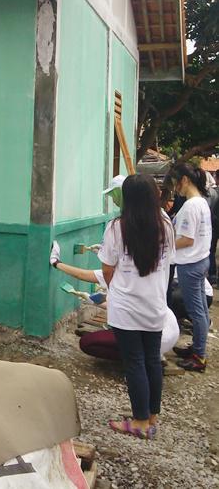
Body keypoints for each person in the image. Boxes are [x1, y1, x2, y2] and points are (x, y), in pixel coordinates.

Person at [97, 174, 175, 440]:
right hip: (155, 304)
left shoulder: (117, 227)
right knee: (152, 359)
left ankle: (140, 422)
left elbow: (107, 268)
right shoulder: (165, 224)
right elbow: (168, 263)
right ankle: (152, 416)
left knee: (134, 362)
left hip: (126, 307)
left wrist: (115, 289)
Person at [49, 242, 179, 362]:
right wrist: (92, 300)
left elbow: (81, 274)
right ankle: (151, 355)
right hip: (167, 332)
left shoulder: (113, 272)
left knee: (87, 342)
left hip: (150, 334)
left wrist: (56, 262)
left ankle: (137, 358)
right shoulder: (143, 270)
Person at [168, 162, 212, 372]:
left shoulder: (191, 205)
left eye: (176, 183)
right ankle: (196, 347)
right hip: (201, 260)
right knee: (201, 308)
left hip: (190, 264)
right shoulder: (201, 202)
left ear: (184, 180)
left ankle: (199, 357)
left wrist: (165, 245)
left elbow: (186, 239)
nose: (176, 188)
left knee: (196, 312)